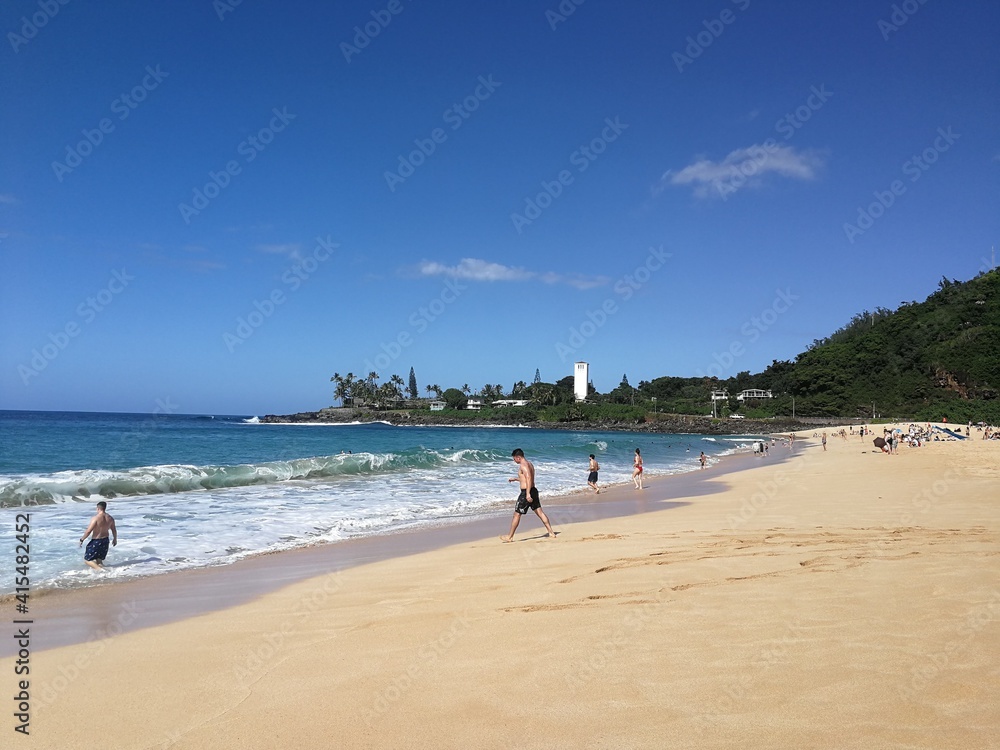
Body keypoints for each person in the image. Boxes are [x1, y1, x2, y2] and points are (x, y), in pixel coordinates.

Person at [500, 448, 556, 542]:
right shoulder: (530, 464)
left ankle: (509, 537)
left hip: (526, 492)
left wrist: (527, 493)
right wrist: (516, 479)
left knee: (517, 514)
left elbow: (529, 478)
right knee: (540, 512)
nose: (514, 461)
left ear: (518, 457)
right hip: (533, 490)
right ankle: (551, 532)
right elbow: (526, 478)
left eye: (514, 459)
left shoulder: (523, 465)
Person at [79, 500, 117, 570]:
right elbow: (114, 530)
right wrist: (115, 539)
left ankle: (100, 570)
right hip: (105, 540)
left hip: (96, 541)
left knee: (87, 560)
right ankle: (105, 573)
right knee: (99, 560)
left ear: (98, 508)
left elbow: (88, 531)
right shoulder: (110, 518)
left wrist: (82, 539)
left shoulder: (95, 518)